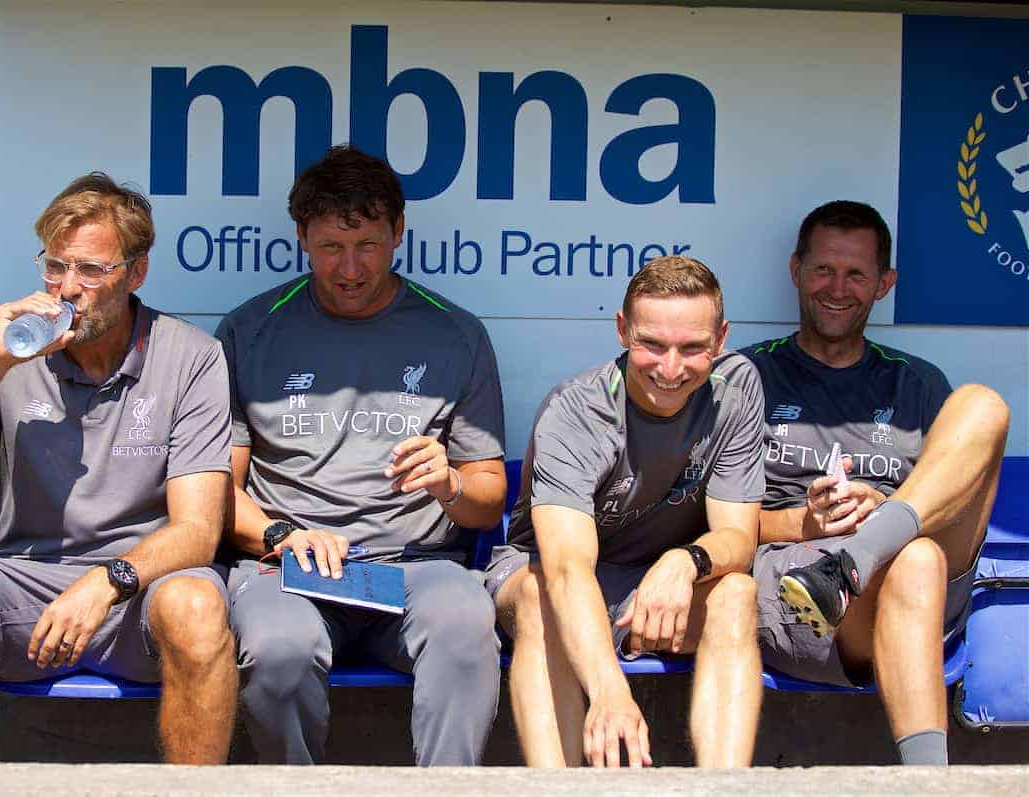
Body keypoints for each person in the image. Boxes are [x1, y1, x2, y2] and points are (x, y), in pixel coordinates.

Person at [0, 173, 237, 764]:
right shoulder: (1, 351)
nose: (67, 288)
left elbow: (199, 532)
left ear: (136, 272)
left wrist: (104, 583)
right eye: (55, 267)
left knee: (199, 610)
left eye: (91, 271)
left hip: (140, 587)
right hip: (26, 579)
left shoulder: (191, 355)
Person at [215, 145, 507, 766]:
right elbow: (217, 493)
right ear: (301, 237)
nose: (349, 268)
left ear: (398, 232)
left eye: (368, 245)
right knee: (280, 648)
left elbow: (487, 503)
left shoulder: (456, 334)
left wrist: (450, 483)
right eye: (329, 247)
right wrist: (281, 534)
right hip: (287, 569)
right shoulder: (250, 329)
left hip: (415, 567)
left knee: (464, 628)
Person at [746, 200, 1009, 765]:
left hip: (920, 581)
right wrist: (803, 522)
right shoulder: (747, 377)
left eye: (857, 274)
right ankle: (929, 783)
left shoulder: (916, 381)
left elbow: (952, 503)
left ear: (884, 284)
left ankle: (860, 554)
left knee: (983, 404)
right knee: (913, 561)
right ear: (796, 270)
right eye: (822, 270)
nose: (836, 288)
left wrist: (883, 510)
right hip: (802, 589)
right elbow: (709, 520)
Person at [486, 256, 764, 768]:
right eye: (652, 345)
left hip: (656, 584)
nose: (671, 368)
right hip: (549, 575)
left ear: (721, 339)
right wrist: (610, 692)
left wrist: (686, 562)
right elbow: (567, 569)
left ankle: (725, 787)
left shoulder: (736, 392)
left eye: (693, 348)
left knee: (737, 593)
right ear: (622, 331)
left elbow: (739, 539)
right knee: (537, 593)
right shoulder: (575, 410)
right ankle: (559, 786)